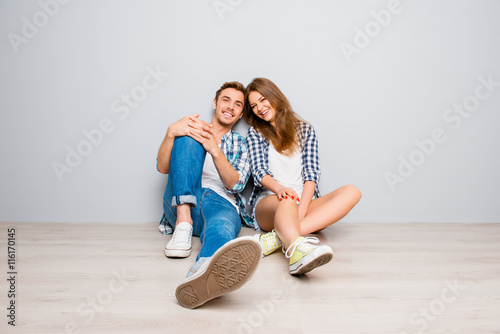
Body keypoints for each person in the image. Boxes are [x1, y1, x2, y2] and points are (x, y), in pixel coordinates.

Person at [156, 81, 260, 308]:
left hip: (220, 200)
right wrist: (171, 132)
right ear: (215, 103)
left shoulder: (241, 144)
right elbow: (163, 168)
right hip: (183, 200)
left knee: (221, 227)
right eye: (226, 100)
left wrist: (214, 147)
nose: (230, 107)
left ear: (241, 113)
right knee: (188, 136)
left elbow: (236, 185)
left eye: (238, 104)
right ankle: (183, 224)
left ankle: (201, 274)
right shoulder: (191, 129)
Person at [245, 78, 362, 275]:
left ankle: (279, 237)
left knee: (352, 192)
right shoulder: (256, 133)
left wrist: (300, 212)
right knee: (287, 199)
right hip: (270, 202)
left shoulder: (305, 130)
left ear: (274, 96)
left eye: (263, 100)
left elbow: (311, 175)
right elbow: (259, 173)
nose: (260, 108)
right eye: (254, 105)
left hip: (303, 203)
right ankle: (295, 252)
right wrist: (281, 190)